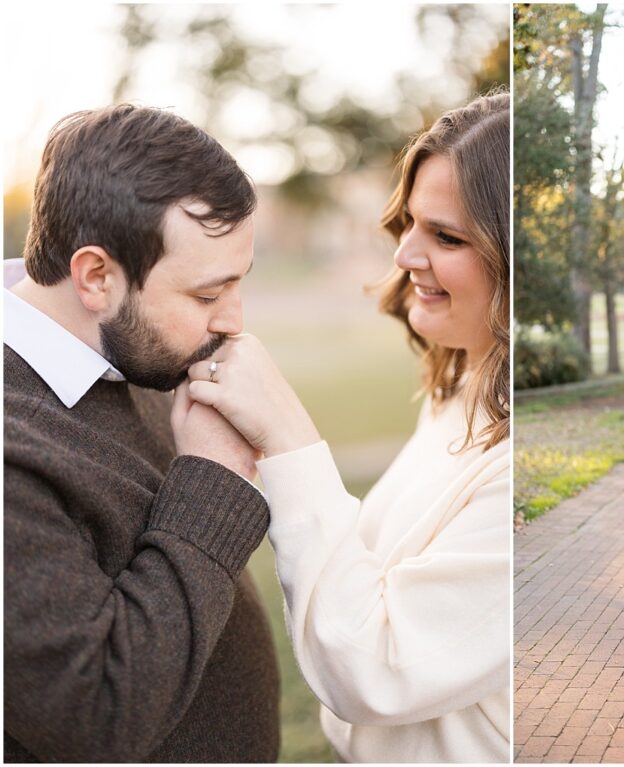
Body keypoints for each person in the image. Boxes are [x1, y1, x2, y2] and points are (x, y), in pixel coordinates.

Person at [178, 93, 510, 763]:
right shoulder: (460, 391)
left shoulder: (516, 471)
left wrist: (290, 437)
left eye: (446, 236)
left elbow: (378, 666)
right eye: (411, 223)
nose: (407, 253)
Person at [4, 105, 279, 761]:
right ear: (96, 275)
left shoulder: (129, 357)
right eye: (208, 295)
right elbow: (95, 713)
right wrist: (211, 486)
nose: (234, 320)